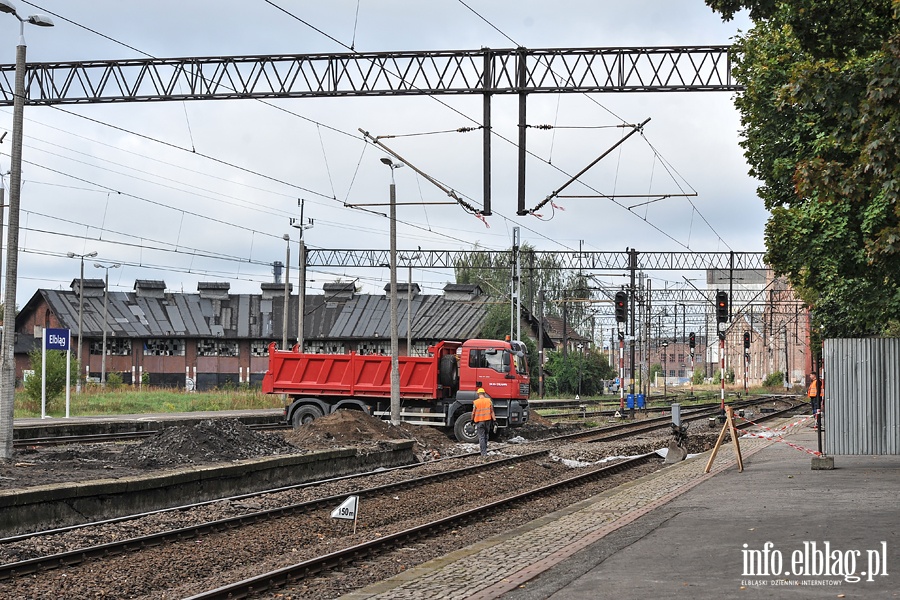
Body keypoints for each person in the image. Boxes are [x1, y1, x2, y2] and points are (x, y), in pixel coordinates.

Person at [472, 387, 496, 458]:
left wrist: (471, 420)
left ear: (478, 394)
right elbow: (492, 411)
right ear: (484, 394)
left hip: (479, 422)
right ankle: (485, 450)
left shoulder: (476, 402)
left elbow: (473, 413)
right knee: (486, 435)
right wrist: (494, 420)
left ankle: (483, 453)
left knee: (481, 437)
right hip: (487, 421)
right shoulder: (489, 401)